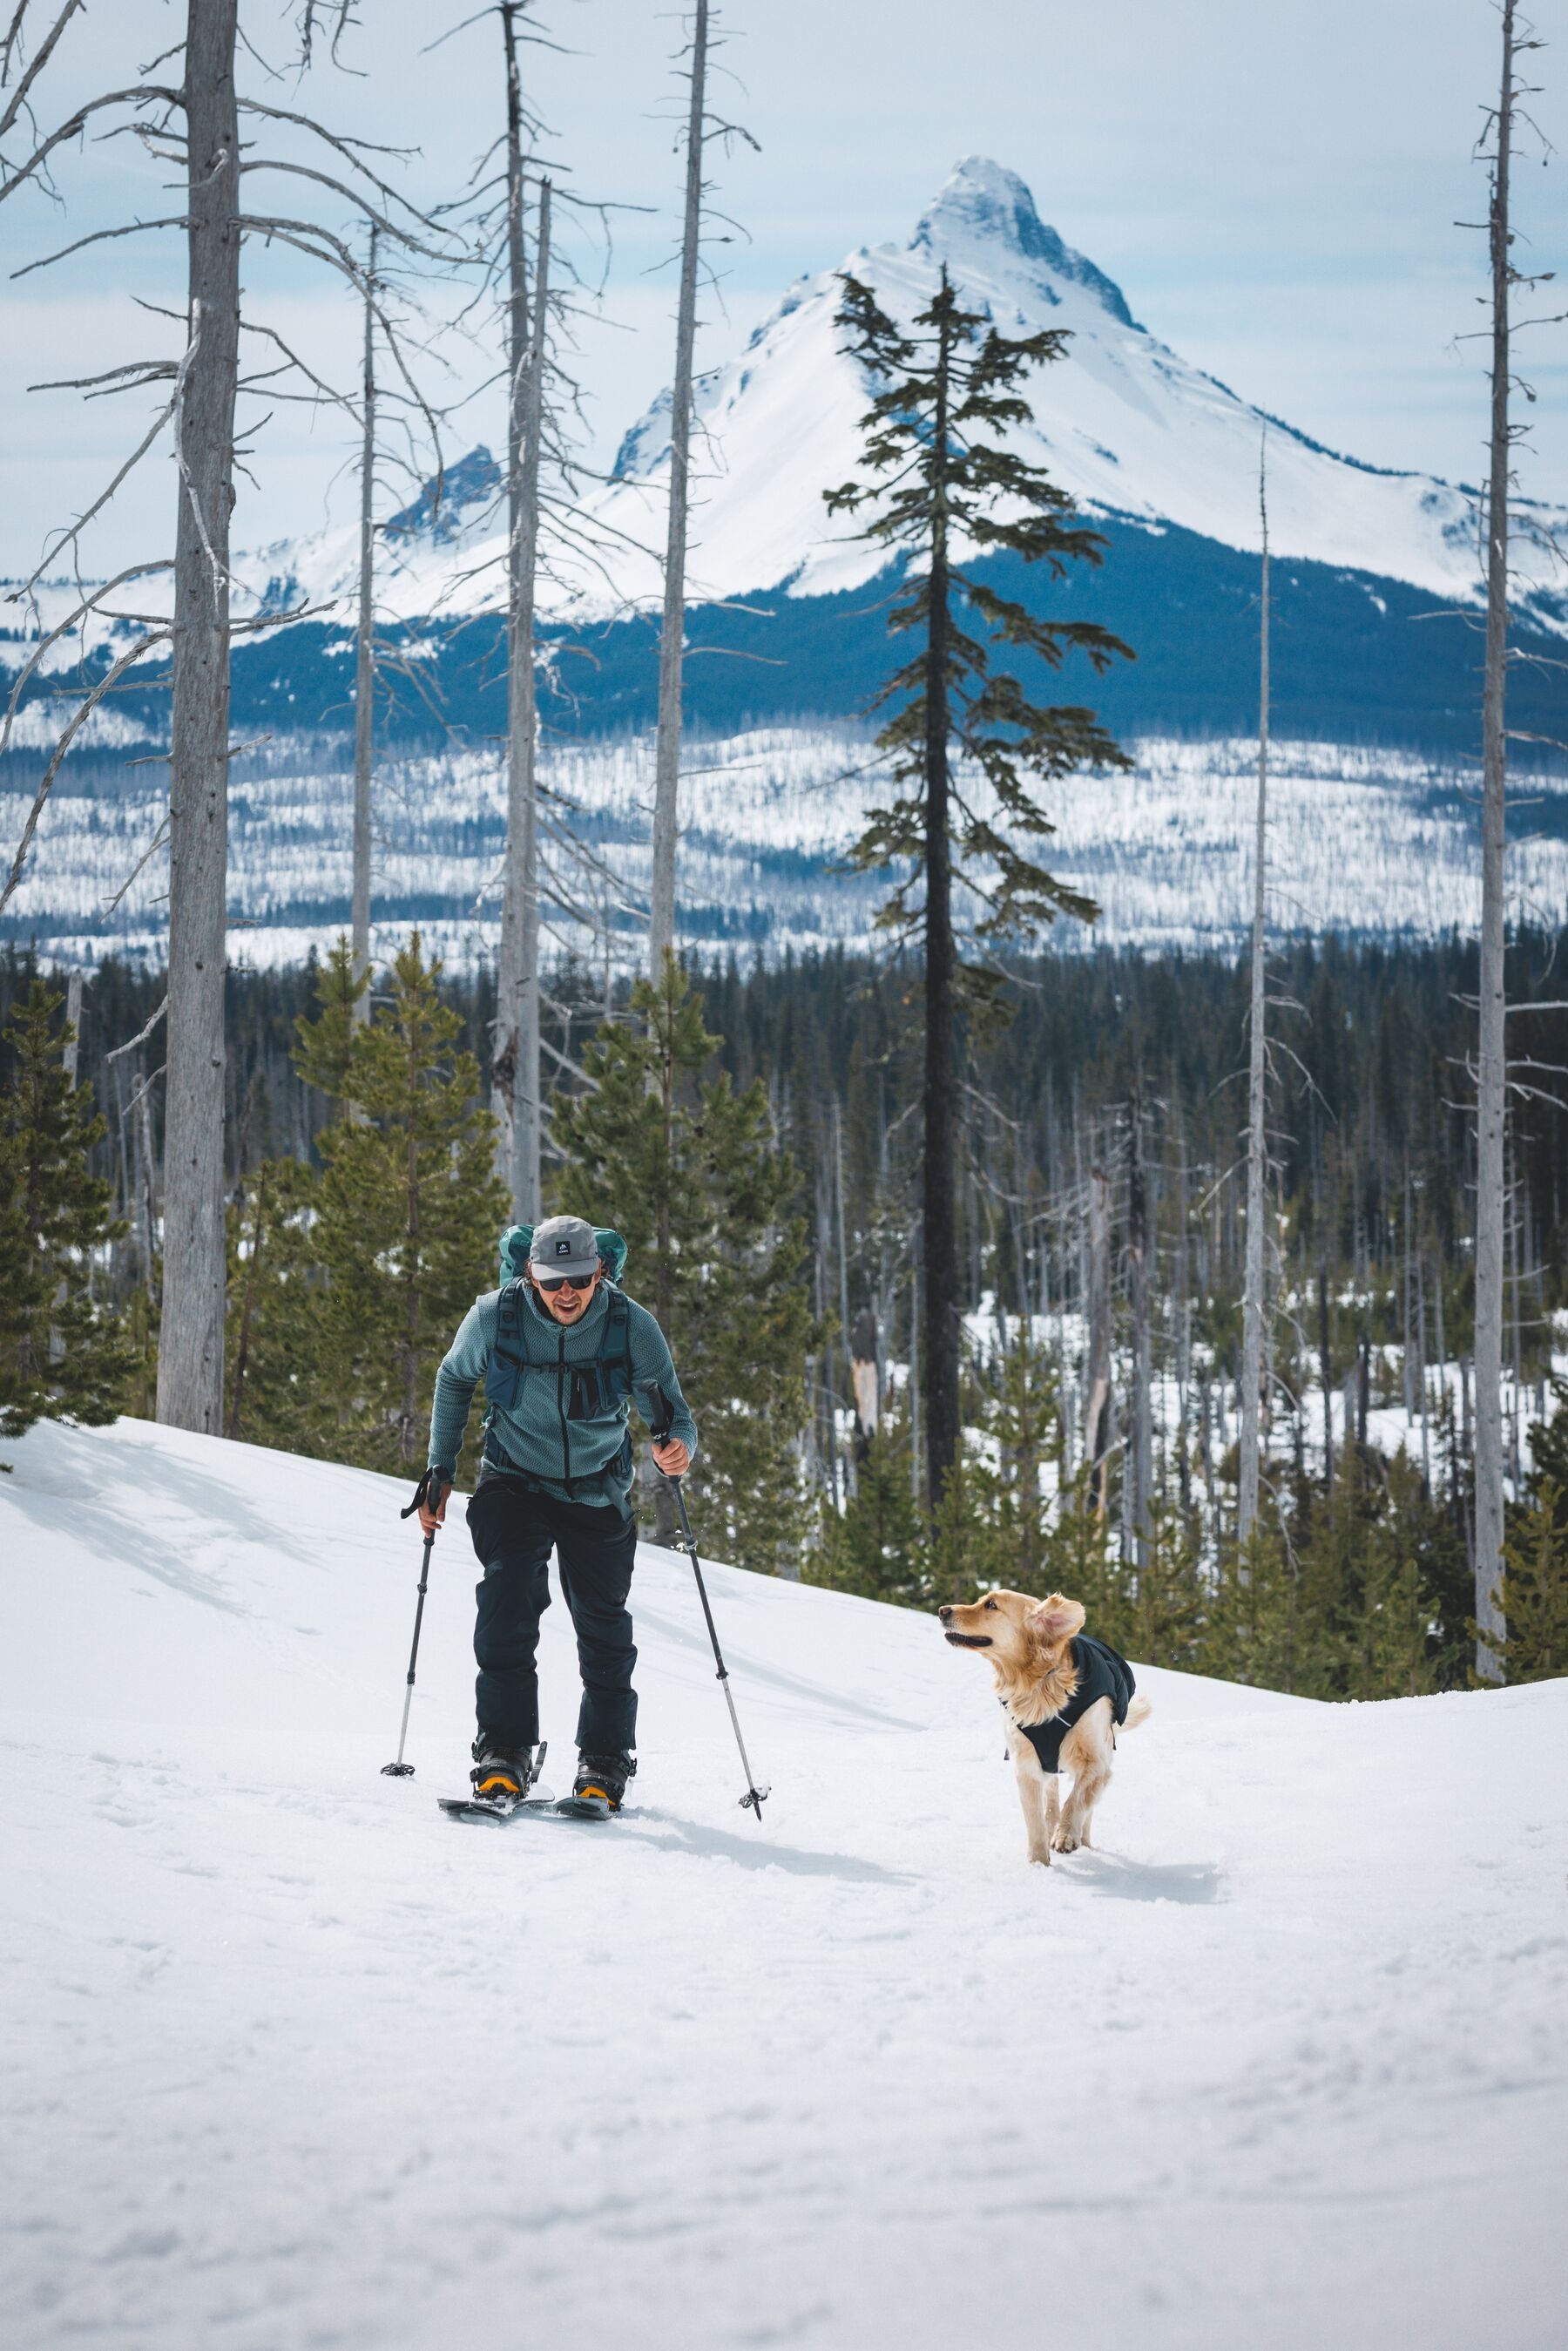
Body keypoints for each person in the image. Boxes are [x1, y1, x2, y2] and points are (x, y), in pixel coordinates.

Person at [418, 1213, 698, 1812]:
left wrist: (678, 1448)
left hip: (597, 1489)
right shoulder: (496, 1316)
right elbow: (452, 1378)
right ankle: (504, 1753)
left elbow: (676, 1413)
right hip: (514, 1479)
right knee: (507, 1599)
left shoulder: (630, 1326)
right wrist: (440, 1470)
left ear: (599, 1269)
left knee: (602, 1623)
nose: (566, 1293)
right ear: (530, 1274)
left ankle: (604, 1760)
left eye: (578, 1278)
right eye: (552, 1281)